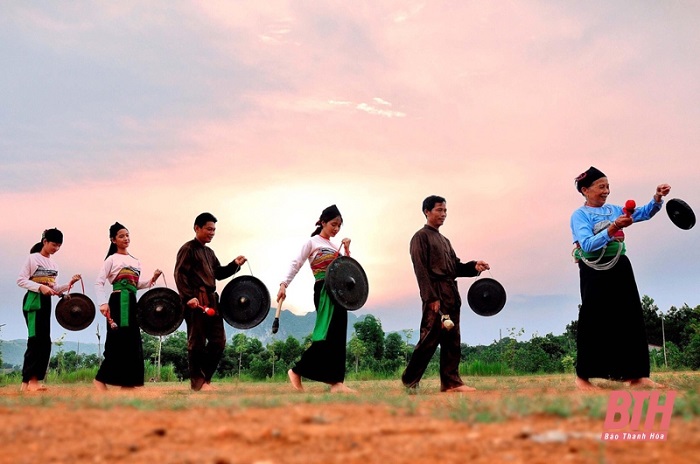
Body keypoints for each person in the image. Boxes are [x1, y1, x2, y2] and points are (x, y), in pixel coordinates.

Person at [571, 167, 671, 391]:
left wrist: (657, 198)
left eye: (607, 186)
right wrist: (614, 226)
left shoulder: (615, 209)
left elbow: (644, 213)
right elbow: (587, 244)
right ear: (585, 190)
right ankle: (583, 378)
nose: (606, 191)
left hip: (620, 266)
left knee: (630, 317)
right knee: (593, 319)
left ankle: (636, 376)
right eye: (601, 187)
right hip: (593, 270)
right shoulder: (580, 215)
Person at [402, 196, 490, 393]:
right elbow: (420, 269)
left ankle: (451, 382)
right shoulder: (420, 237)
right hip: (435, 294)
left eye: (445, 211)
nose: (443, 214)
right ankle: (409, 380)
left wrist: (474, 266)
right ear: (427, 211)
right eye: (439, 210)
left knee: (452, 339)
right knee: (429, 338)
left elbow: (454, 267)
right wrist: (430, 297)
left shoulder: (444, 240)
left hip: (451, 293)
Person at [277, 204, 355, 393]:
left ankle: (337, 382)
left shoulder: (334, 246)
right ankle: (296, 371)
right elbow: (296, 263)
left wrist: (346, 250)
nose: (336, 229)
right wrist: (283, 284)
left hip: (339, 292)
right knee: (325, 335)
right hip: (323, 291)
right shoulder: (312, 242)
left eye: (339, 226)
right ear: (322, 223)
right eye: (333, 225)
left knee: (338, 336)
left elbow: (346, 269)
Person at [174, 212, 247, 391]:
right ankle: (197, 382)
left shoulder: (209, 252)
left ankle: (205, 379)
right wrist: (187, 297)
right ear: (197, 228)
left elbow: (218, 273)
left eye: (214, 230)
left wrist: (234, 265)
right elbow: (180, 274)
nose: (212, 233)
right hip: (195, 300)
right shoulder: (187, 249)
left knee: (218, 341)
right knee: (197, 342)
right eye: (208, 229)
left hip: (212, 300)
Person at [93, 222, 162, 391]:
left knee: (132, 343)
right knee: (117, 342)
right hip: (117, 303)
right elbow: (99, 283)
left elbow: (136, 285)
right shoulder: (111, 259)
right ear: (113, 240)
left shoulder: (136, 261)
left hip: (132, 302)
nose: (126, 238)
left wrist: (152, 279)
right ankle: (100, 380)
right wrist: (103, 303)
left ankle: (128, 383)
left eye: (127, 235)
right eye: (121, 236)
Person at [16, 228, 81, 392]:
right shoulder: (33, 258)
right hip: (33, 302)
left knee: (45, 342)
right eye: (54, 244)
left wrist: (69, 284)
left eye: (59, 246)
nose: (56, 248)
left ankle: (34, 381)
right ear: (45, 242)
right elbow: (21, 280)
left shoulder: (53, 264)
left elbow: (54, 288)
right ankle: (28, 382)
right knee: (35, 340)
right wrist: (39, 287)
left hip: (46, 303)